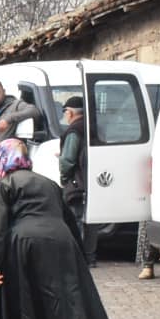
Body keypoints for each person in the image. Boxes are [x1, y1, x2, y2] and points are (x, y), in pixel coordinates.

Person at [0, 139, 110, 319]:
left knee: (26, 298)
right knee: (67, 295)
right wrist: (78, 252)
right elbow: (69, 218)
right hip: (61, 241)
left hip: (24, 243)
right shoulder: (48, 183)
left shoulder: (5, 184)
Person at [57, 95, 99, 266]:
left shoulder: (74, 131)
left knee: (75, 220)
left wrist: (64, 177)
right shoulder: (92, 128)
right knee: (91, 223)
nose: (65, 116)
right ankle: (89, 257)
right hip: (92, 181)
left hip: (77, 183)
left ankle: (78, 258)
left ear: (71, 112)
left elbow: (68, 160)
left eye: (65, 112)